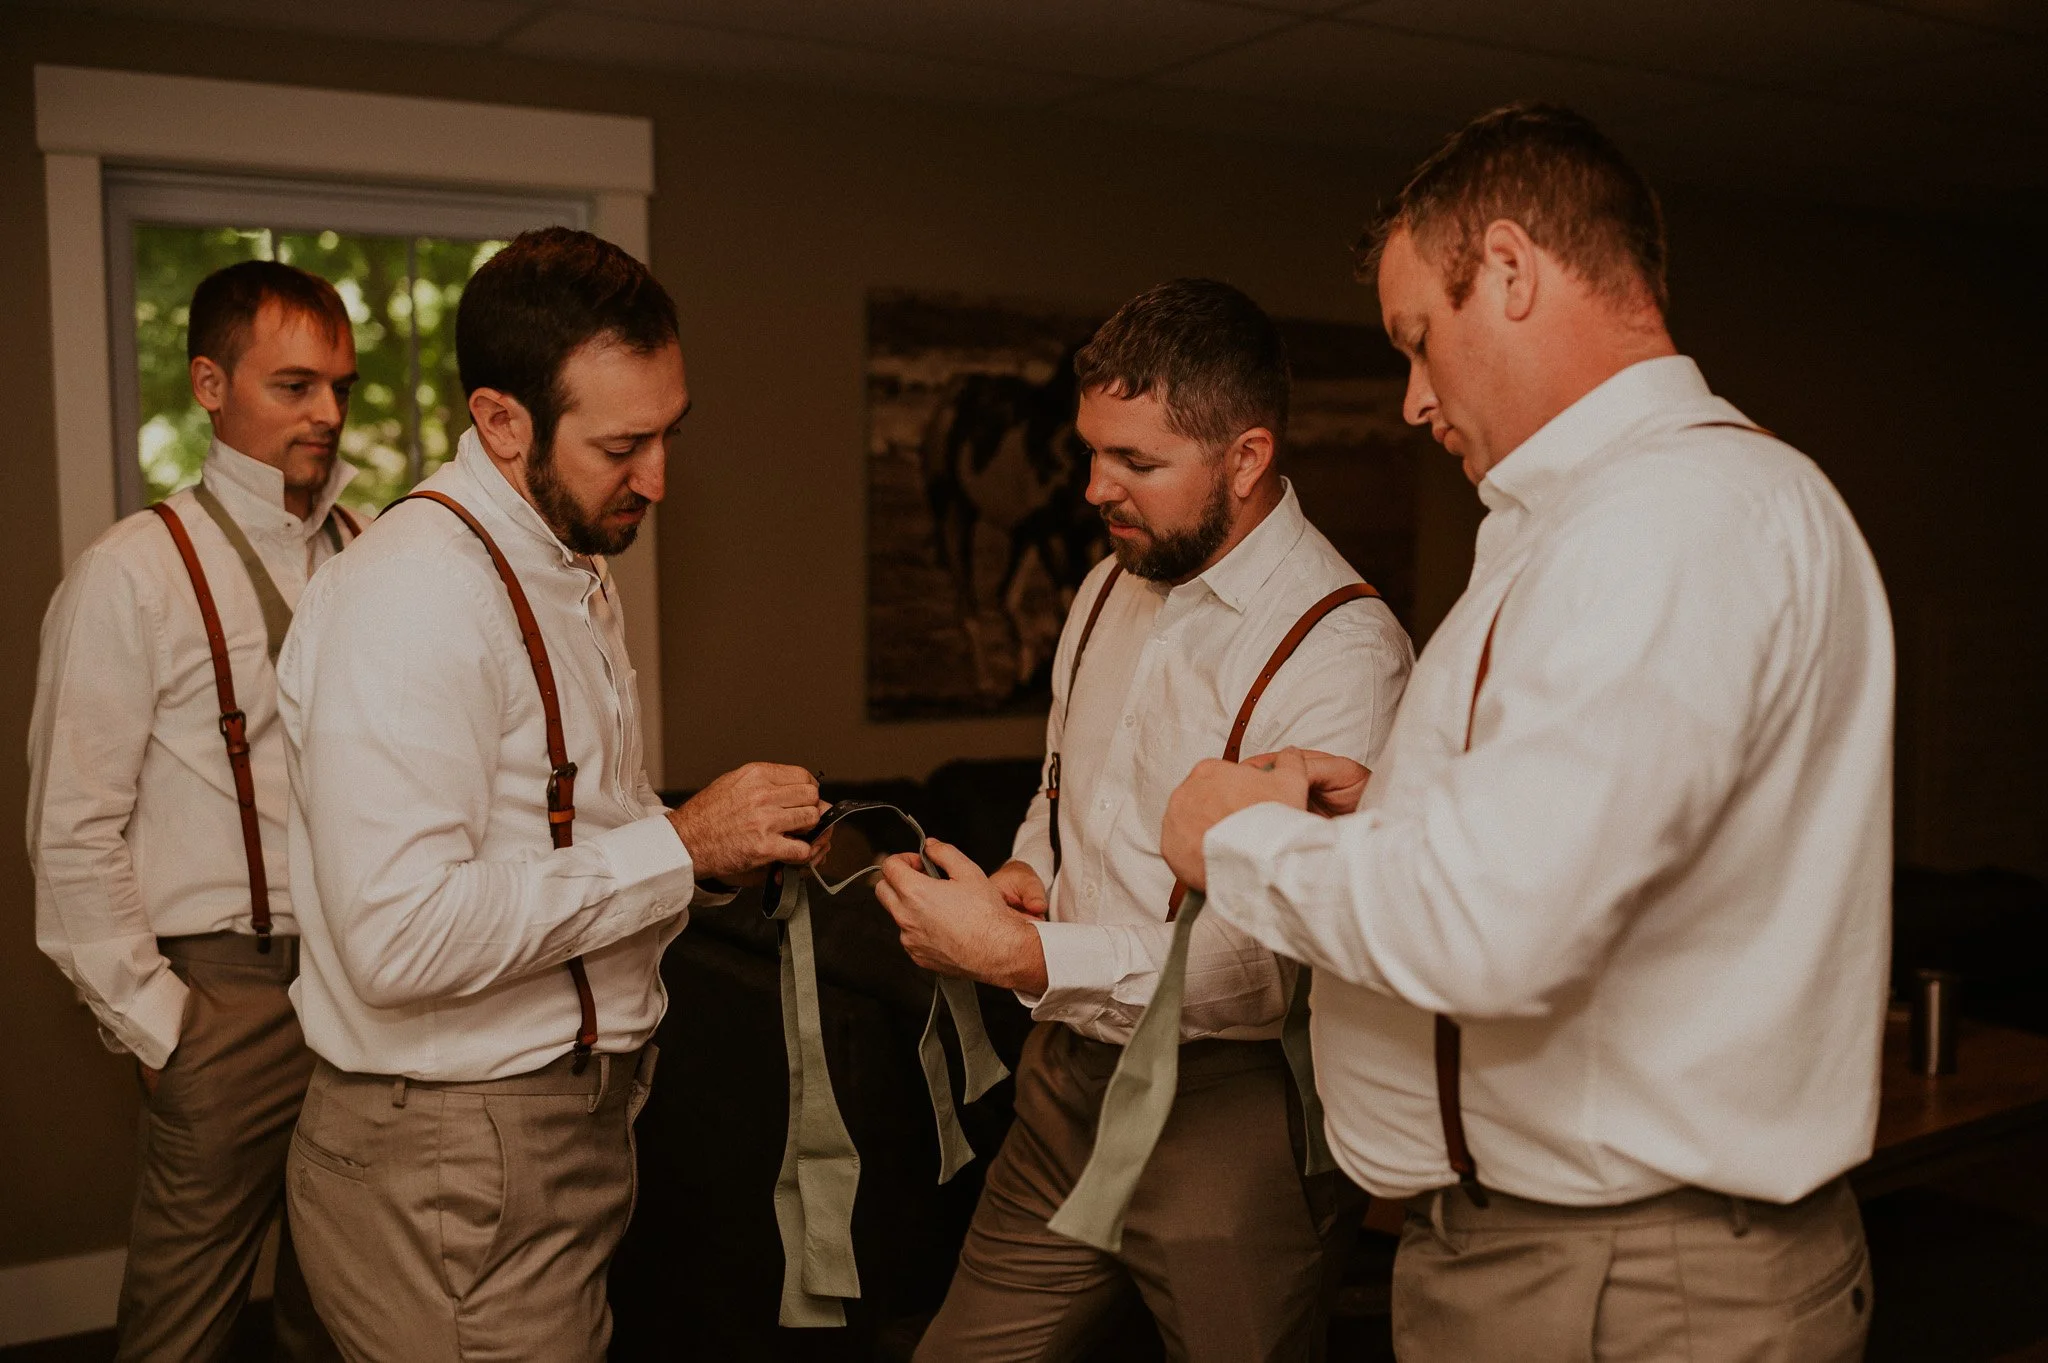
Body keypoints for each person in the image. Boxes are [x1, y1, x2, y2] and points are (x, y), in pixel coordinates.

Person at [1159, 104, 1892, 1362]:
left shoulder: (1660, 521)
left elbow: (1497, 926)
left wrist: (1242, 839)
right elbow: (1597, 837)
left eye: (1416, 341)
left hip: (1619, 1279)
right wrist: (1385, 814)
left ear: (1507, 269)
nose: (1409, 399)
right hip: (1578, 1254)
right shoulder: (1614, 516)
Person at [277, 227, 826, 1362]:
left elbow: (569, 832)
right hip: (453, 1158)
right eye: (624, 442)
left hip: (563, 1124)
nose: (660, 479)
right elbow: (399, 934)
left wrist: (715, 856)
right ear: (500, 420)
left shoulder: (566, 563)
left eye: (671, 433)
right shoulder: (414, 600)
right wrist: (678, 842)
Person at [876, 278, 1414, 1363]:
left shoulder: (1342, 652)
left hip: (1233, 1118)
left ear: (1246, 459)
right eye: (1090, 452)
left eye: (1135, 463)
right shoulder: (1106, 584)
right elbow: (1061, 785)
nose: (1090, 488)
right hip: (1064, 1086)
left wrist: (1025, 953)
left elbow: (1260, 968)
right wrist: (1031, 875)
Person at [29, 259, 361, 1361]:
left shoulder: (372, 554)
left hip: (370, 989)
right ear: (211, 385)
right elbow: (70, 826)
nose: (326, 413)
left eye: (340, 388)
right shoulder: (131, 573)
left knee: (347, 1311)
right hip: (227, 992)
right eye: (294, 385)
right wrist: (164, 1030)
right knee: (181, 1330)